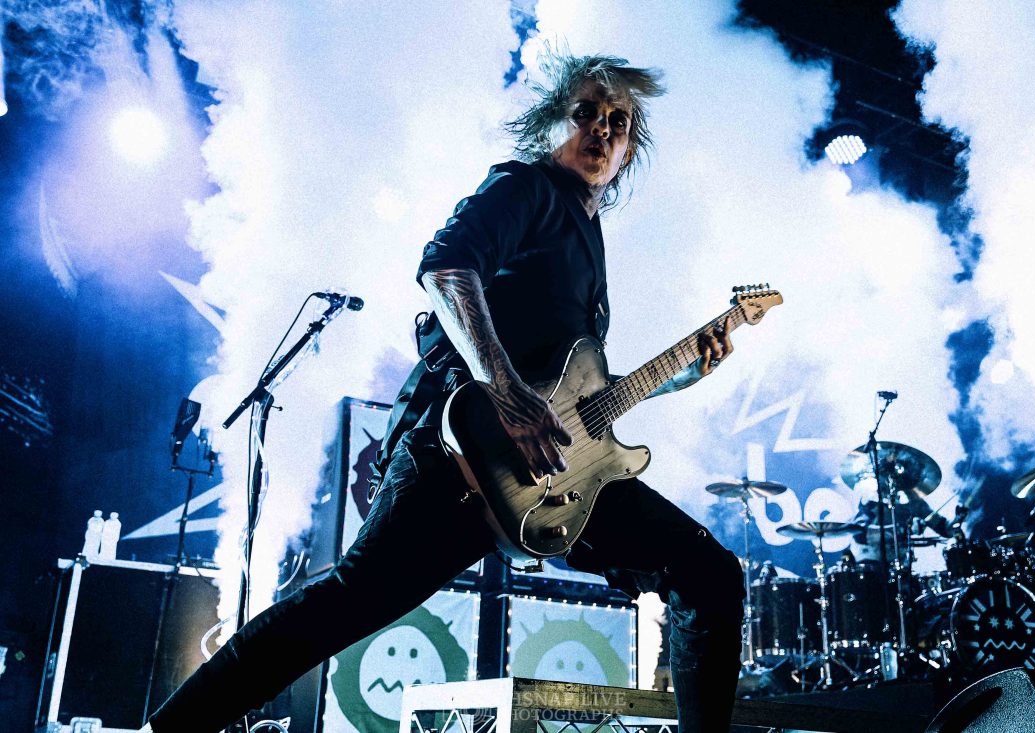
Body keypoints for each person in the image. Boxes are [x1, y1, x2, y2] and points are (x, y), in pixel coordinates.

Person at [147, 52, 745, 733]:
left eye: (619, 122)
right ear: (553, 122)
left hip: (548, 476)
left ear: (629, 150)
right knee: (342, 605)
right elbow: (447, 267)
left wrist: (676, 376)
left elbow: (574, 388)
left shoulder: (589, 234)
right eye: (586, 113)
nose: (602, 130)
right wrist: (505, 389)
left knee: (707, 573)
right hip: (458, 452)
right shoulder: (525, 188)